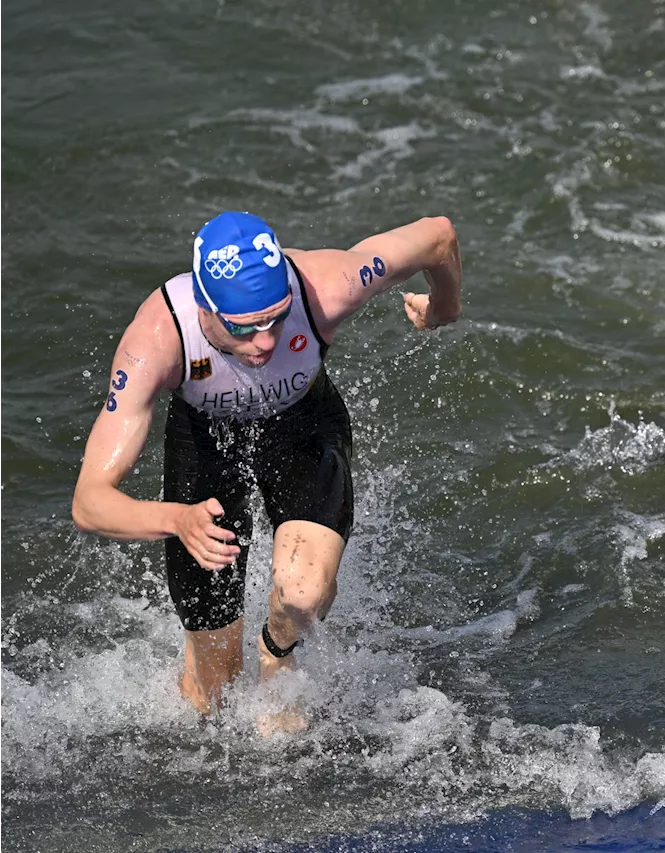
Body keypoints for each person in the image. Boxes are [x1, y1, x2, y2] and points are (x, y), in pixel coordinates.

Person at [71, 211, 461, 730]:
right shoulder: (158, 340)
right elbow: (89, 501)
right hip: (205, 446)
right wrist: (175, 520)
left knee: (303, 594)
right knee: (212, 698)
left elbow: (438, 236)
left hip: (302, 424)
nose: (265, 342)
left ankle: (277, 648)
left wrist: (443, 307)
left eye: (276, 318)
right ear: (204, 306)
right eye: (244, 327)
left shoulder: (326, 286)